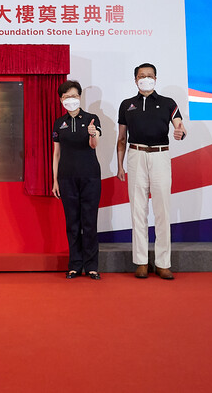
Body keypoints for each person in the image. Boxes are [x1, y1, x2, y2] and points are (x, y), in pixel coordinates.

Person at [116, 63, 186, 280]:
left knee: (162, 209)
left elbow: (179, 126)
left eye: (149, 75)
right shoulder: (127, 105)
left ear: (156, 78)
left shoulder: (168, 103)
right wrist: (119, 165)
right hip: (135, 155)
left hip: (160, 155)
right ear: (135, 79)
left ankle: (163, 263)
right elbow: (121, 138)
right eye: (141, 76)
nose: (145, 78)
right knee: (138, 210)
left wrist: (180, 131)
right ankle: (141, 262)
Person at [52, 80, 102, 280]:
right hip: (66, 177)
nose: (70, 100)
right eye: (66, 97)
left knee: (89, 222)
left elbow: (94, 144)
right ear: (61, 100)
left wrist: (93, 134)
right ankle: (74, 265)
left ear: (79, 97)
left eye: (73, 96)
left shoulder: (92, 119)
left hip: (90, 176)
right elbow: (56, 153)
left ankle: (92, 266)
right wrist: (55, 181)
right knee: (72, 223)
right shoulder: (58, 122)